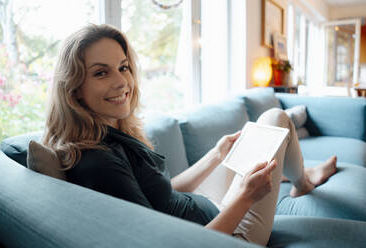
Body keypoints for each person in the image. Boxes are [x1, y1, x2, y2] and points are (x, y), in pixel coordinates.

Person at [43, 24, 337, 246]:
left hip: (202, 209)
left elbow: (161, 195)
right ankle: (303, 181)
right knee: (276, 119)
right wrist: (246, 197)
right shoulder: (98, 162)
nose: (122, 82)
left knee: (254, 139)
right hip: (228, 234)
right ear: (74, 89)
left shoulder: (108, 133)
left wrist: (216, 155)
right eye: (101, 73)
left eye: (123, 67)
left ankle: (298, 174)